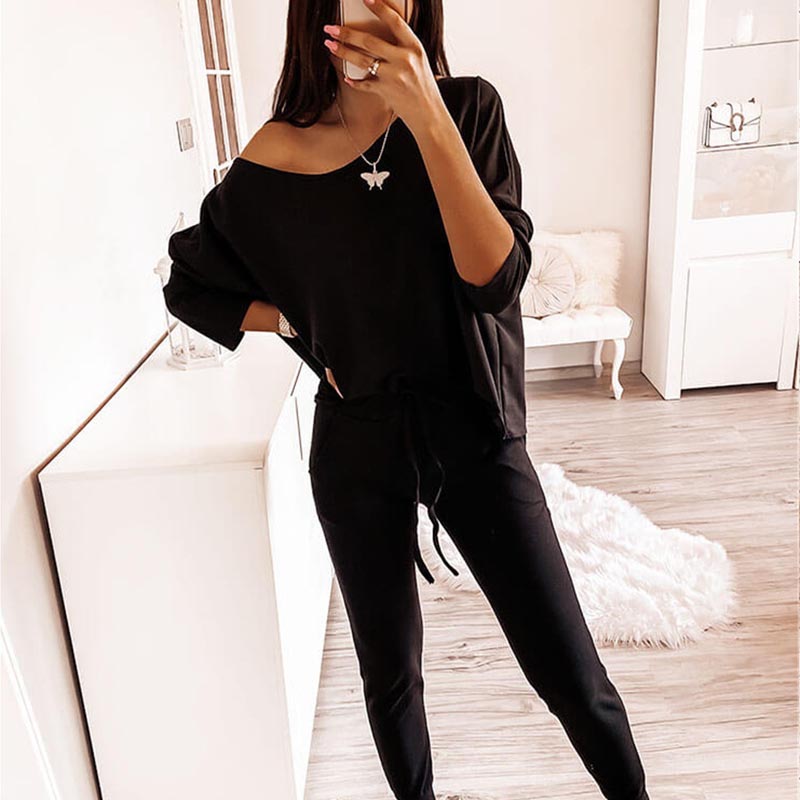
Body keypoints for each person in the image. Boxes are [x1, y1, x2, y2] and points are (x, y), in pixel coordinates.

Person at [163, 1, 650, 798]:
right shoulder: (272, 160)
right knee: (390, 674)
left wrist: (426, 113)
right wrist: (293, 320)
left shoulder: (468, 109)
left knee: (570, 669)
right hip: (355, 443)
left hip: (474, 430)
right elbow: (188, 285)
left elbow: (496, 280)